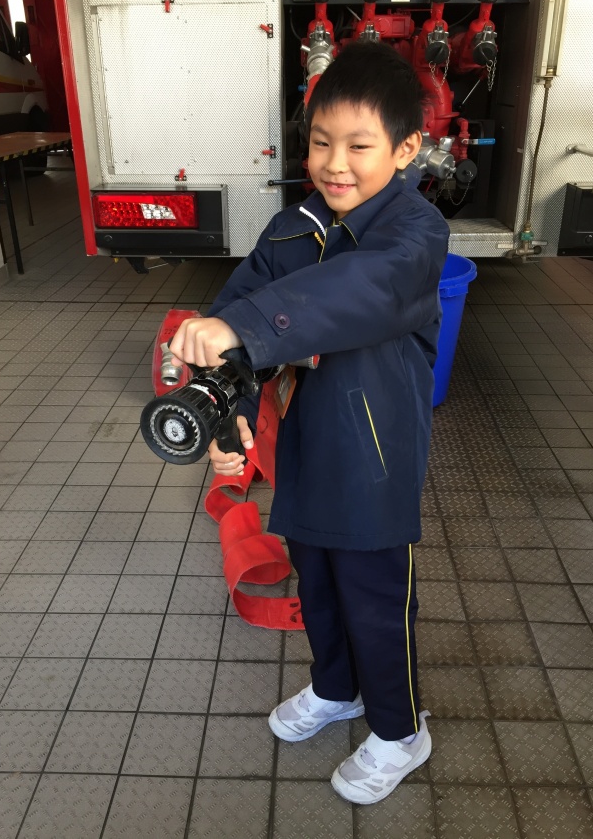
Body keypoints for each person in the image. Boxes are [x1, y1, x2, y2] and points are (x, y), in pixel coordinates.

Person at [170, 41, 449, 805]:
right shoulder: (293, 229)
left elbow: (359, 290)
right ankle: (336, 687)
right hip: (305, 445)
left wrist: (243, 326)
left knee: (375, 598)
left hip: (375, 457)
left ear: (406, 148)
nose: (335, 164)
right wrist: (226, 419)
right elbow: (236, 318)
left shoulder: (415, 234)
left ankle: (399, 729)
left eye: (359, 146)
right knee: (318, 580)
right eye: (321, 143)